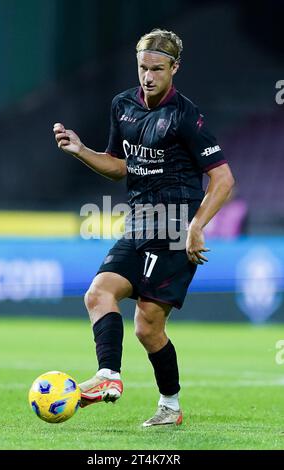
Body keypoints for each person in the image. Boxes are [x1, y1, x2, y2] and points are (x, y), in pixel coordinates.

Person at [53, 28, 234, 427]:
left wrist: (197, 226)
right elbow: (120, 166)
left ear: (174, 68)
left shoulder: (186, 116)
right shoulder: (122, 106)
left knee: (148, 328)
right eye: (142, 68)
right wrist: (82, 151)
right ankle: (108, 377)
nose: (148, 76)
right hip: (138, 223)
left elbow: (223, 180)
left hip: (175, 228)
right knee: (98, 293)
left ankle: (169, 406)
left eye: (157, 69)